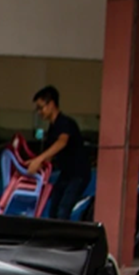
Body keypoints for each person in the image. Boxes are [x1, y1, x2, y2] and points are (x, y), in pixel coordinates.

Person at [28, 86, 91, 221]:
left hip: (78, 173)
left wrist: (39, 160)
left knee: (63, 209)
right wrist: (35, 163)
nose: (39, 112)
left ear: (51, 104)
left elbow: (62, 142)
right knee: (54, 208)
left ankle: (64, 240)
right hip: (66, 173)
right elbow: (50, 154)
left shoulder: (65, 123)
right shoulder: (52, 128)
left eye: (41, 107)